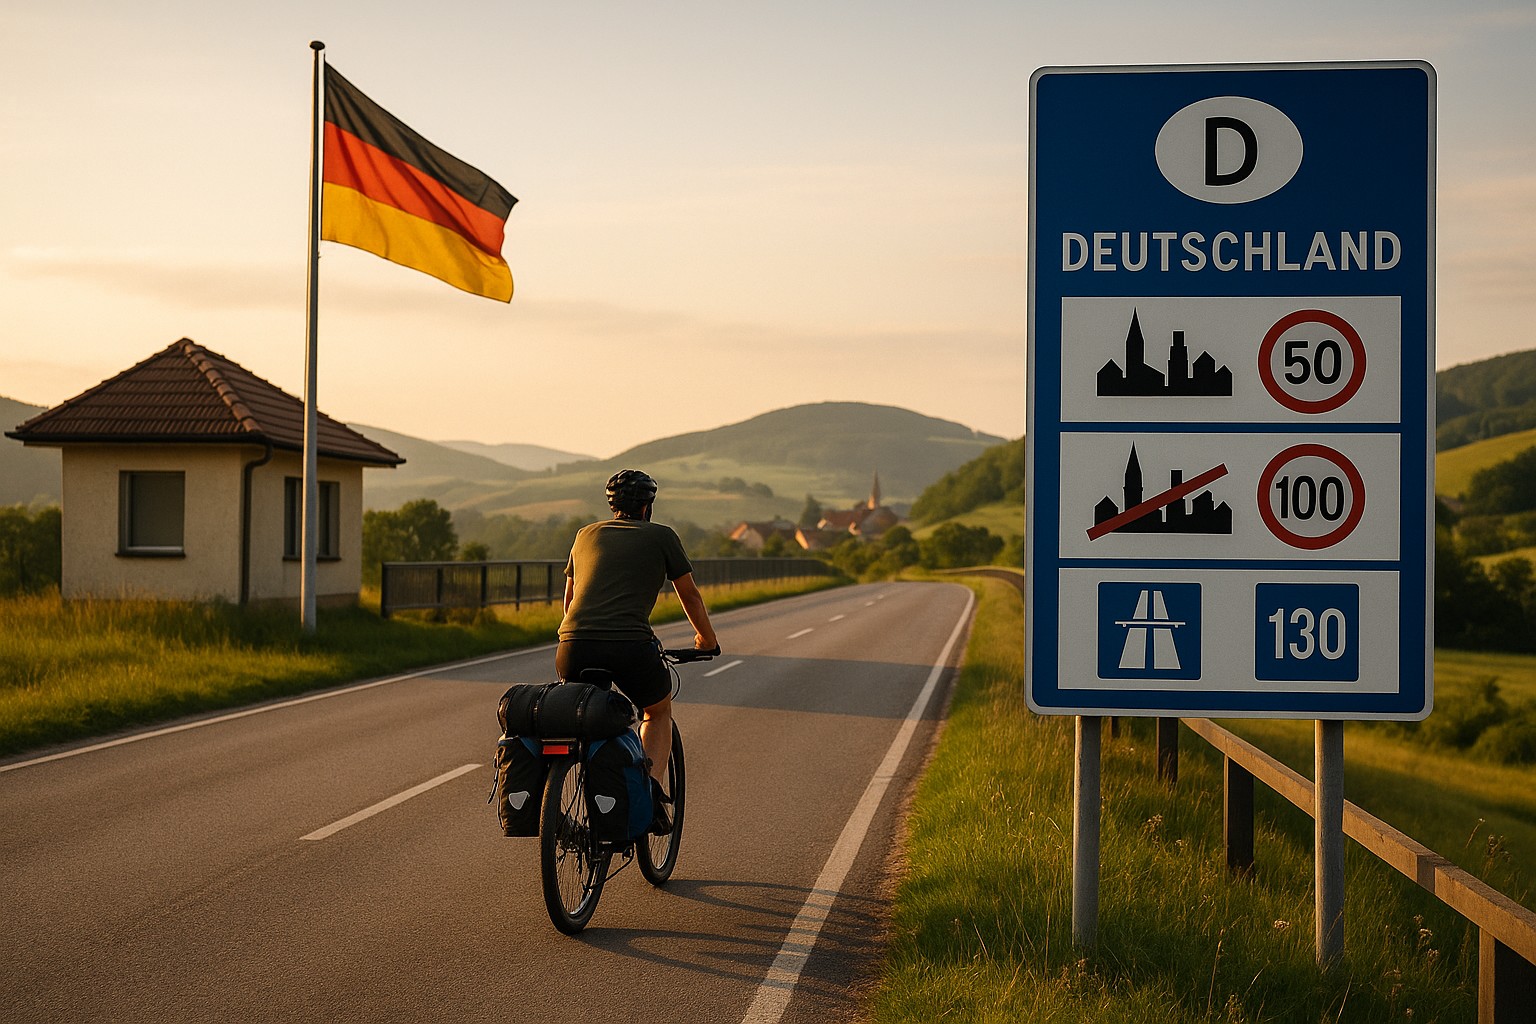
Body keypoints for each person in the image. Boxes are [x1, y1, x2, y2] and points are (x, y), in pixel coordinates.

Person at [557, 469, 718, 834]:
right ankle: (649, 790)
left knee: (583, 719)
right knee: (656, 710)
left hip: (572, 644)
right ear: (648, 506)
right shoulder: (661, 535)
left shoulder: (585, 534)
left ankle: (577, 788)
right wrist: (706, 641)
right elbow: (688, 594)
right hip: (629, 645)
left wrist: (577, 635)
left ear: (612, 505)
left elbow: (568, 600)